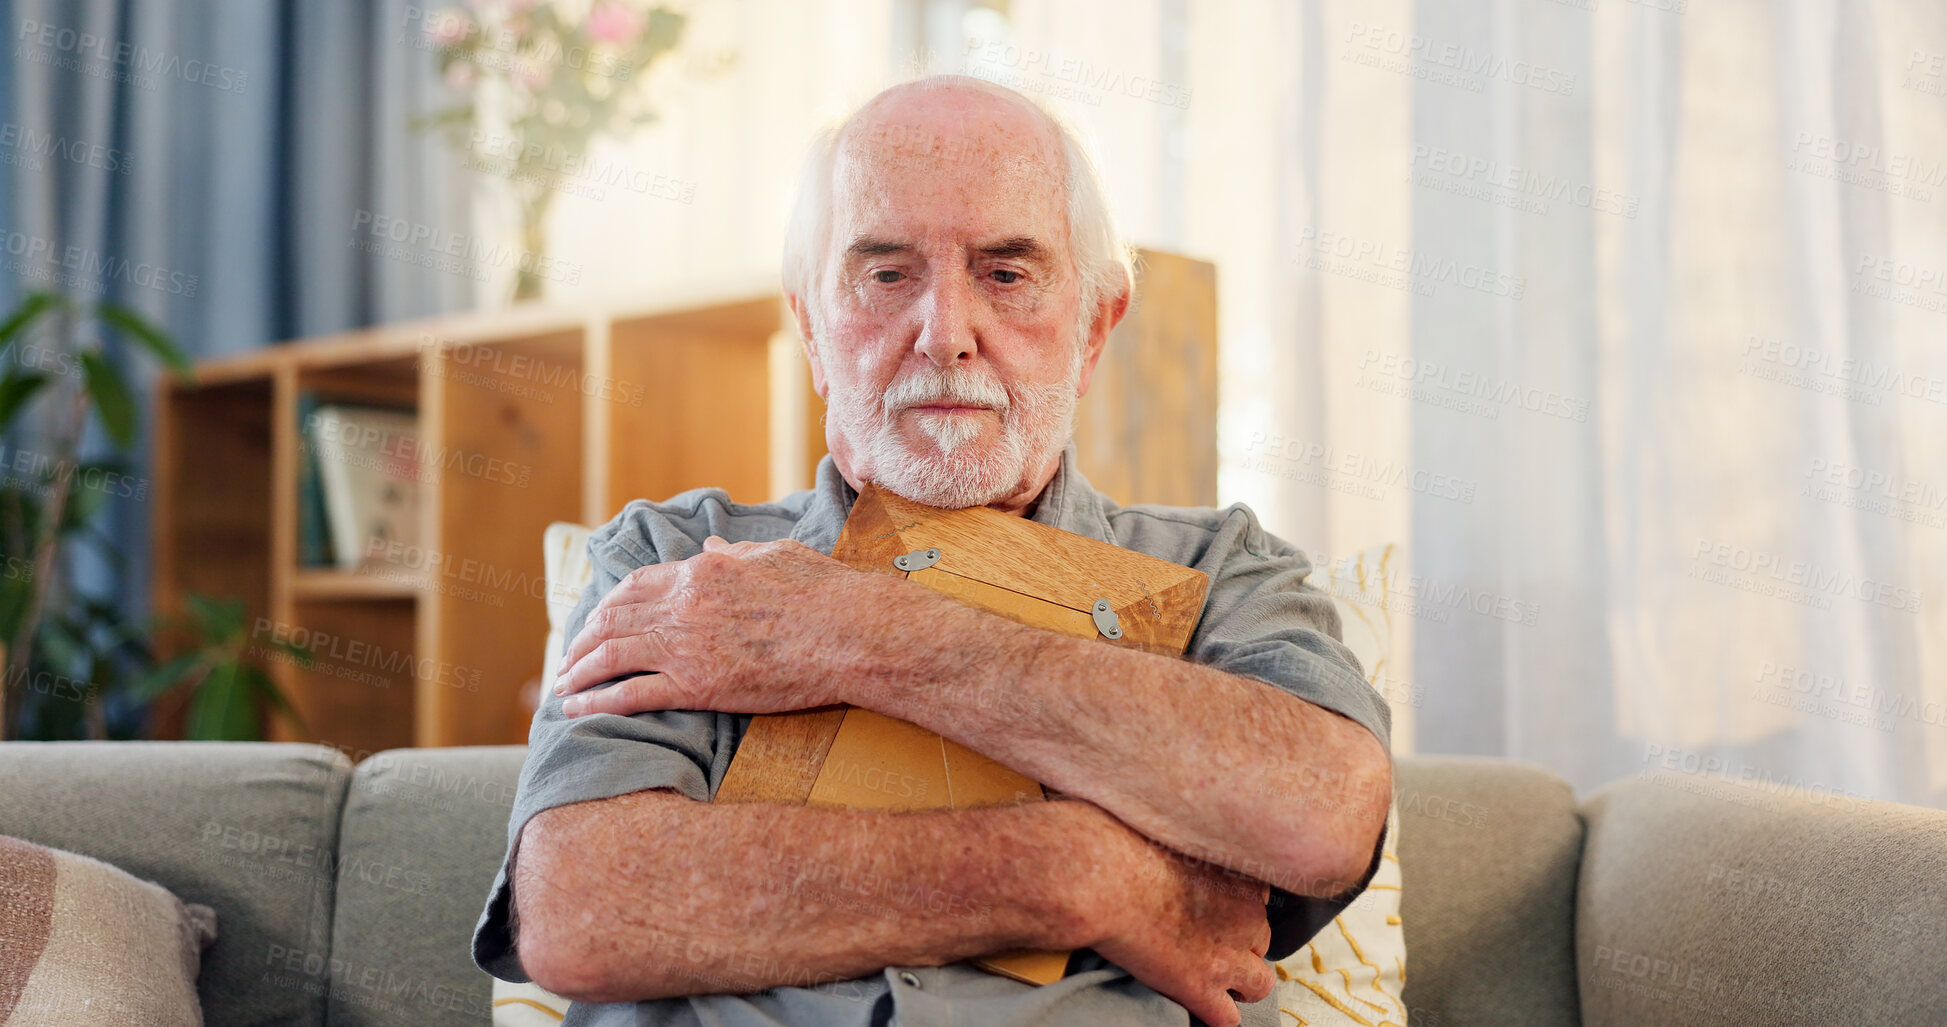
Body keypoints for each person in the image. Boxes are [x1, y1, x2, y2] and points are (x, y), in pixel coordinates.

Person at [472, 75, 1393, 1027]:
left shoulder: (1222, 573)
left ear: (1094, 330)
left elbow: (1321, 813)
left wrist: (849, 628)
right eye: (885, 275)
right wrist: (1068, 873)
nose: (946, 334)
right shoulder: (677, 562)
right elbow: (583, 910)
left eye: (1005, 273)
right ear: (812, 331)